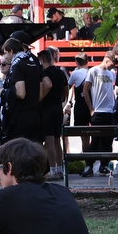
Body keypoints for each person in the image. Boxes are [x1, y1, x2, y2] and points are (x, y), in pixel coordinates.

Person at [0, 38, 44, 144]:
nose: (5, 57)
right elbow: (40, 95)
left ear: (11, 51)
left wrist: (2, 92)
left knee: (17, 152)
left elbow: (21, 93)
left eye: (6, 53)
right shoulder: (34, 65)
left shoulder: (17, 66)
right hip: (35, 116)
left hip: (20, 118)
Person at [81, 51, 117, 177]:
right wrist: (91, 108)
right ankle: (89, 165)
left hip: (109, 111)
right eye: (112, 63)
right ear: (107, 59)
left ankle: (104, 165)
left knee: (108, 141)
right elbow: (85, 91)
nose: (113, 67)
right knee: (95, 140)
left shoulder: (111, 74)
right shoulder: (93, 71)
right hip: (98, 110)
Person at [38, 49, 67, 177]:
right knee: (57, 140)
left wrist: (40, 98)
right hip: (58, 108)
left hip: (47, 109)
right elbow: (66, 90)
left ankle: (52, 169)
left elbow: (46, 87)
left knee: (49, 141)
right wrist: (61, 98)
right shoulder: (60, 72)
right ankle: (60, 169)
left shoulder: (44, 73)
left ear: (42, 60)